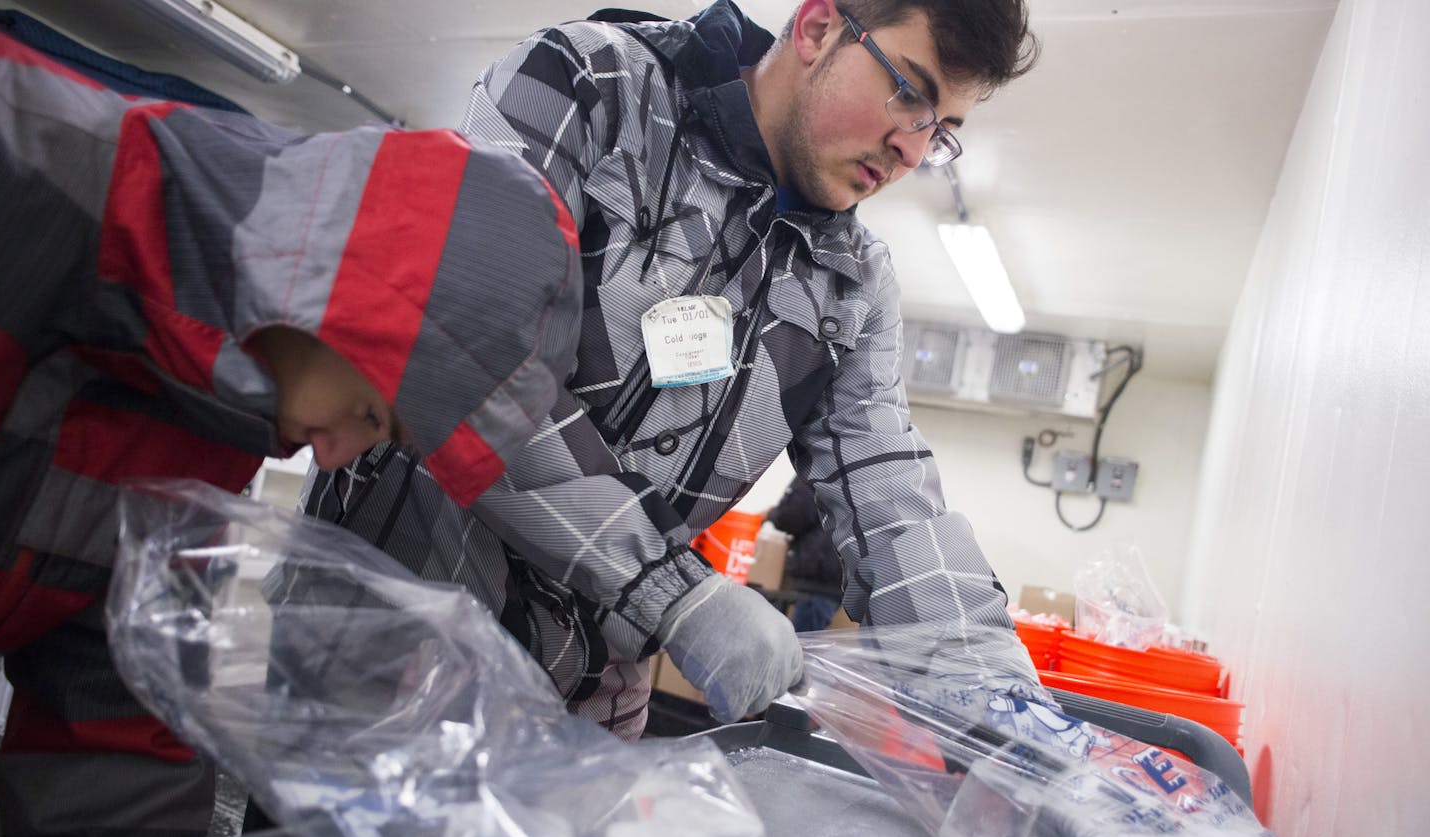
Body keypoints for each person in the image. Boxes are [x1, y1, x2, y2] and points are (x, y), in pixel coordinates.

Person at [303, 0, 1042, 738]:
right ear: (817, 29)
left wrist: (1010, 714)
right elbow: (471, 349)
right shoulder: (588, 86)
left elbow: (893, 502)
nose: (912, 150)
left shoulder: (852, 286)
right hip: (380, 661)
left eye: (939, 131)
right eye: (908, 93)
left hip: (572, 720)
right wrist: (672, 591)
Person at [0, 29, 581, 837]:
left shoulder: (218, 421)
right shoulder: (20, 167)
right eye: (375, 413)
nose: (339, 458)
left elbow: (114, 715)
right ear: (345, 295)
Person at [766, 478, 845, 633]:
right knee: (807, 644)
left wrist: (771, 514)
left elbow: (791, 517)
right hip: (834, 578)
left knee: (801, 646)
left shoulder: (815, 471)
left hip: (818, 581)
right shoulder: (847, 470)